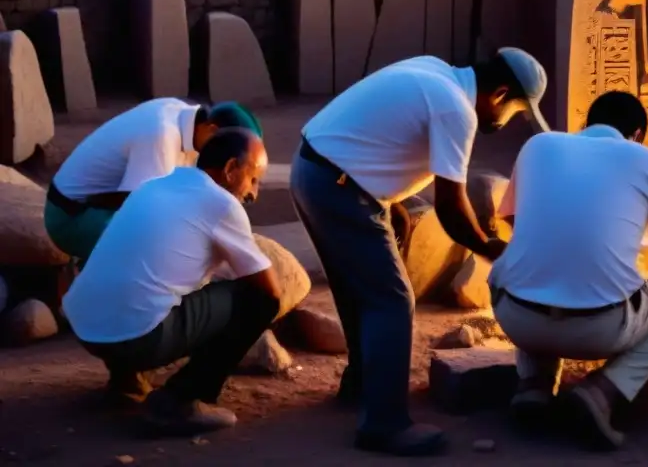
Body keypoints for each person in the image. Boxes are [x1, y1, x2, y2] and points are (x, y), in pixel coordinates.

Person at [290, 49, 549, 457]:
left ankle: (361, 385)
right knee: (392, 300)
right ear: (499, 94)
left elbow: (377, 133)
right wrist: (490, 248)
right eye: (514, 112)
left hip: (313, 170)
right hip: (338, 186)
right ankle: (384, 424)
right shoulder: (456, 110)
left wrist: (392, 203)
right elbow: (450, 205)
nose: (506, 120)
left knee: (356, 288)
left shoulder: (432, 70)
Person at [488, 91, 648, 451]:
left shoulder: (539, 146)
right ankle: (602, 392)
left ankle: (533, 384)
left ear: (584, 123)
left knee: (531, 264)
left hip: (515, 317)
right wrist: (624, 279)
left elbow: (512, 221)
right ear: (638, 134)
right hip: (601, 330)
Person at [62, 128, 281, 437]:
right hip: (136, 340)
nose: (253, 193)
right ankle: (181, 399)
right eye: (254, 178)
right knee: (259, 300)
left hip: (85, 329)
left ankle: (124, 380)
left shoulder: (154, 186)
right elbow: (269, 288)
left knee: (148, 284)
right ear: (231, 169)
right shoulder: (221, 203)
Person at [44, 99, 263, 263]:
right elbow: (140, 208)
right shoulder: (162, 135)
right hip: (70, 217)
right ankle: (89, 285)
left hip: (101, 206)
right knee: (160, 241)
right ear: (212, 130)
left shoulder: (188, 121)